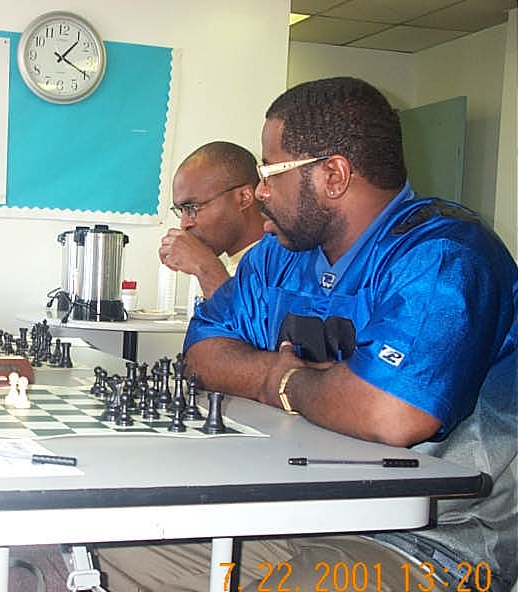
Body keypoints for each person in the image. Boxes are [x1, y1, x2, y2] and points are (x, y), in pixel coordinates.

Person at [96, 77, 517, 591]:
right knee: (115, 551)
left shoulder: (445, 256)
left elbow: (391, 413)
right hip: (298, 511)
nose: (261, 192)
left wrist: (284, 385)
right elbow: (202, 354)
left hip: (433, 544)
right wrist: (282, 374)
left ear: (334, 175)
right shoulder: (279, 255)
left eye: (270, 172)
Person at [159, 141, 264, 298]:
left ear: (243, 198)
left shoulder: (280, 268)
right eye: (181, 211)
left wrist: (205, 267)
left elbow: (243, 322)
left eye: (192, 207)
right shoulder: (233, 270)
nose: (184, 224)